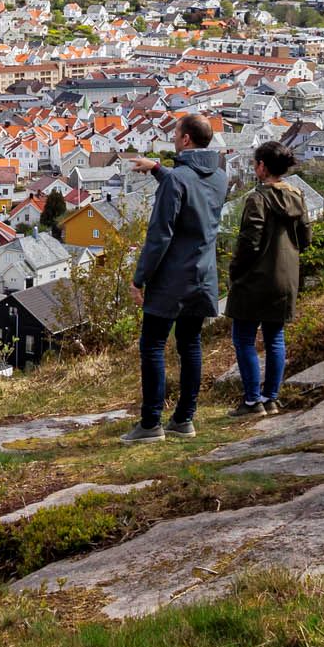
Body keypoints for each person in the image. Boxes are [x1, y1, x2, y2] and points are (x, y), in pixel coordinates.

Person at [122, 112, 229, 443]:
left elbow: (159, 237)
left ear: (185, 140)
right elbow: (189, 185)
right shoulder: (220, 176)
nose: (172, 138)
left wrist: (139, 278)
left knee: (153, 344)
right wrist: (156, 169)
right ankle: (184, 419)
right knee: (191, 344)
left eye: (175, 134)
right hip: (204, 274)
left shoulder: (177, 180)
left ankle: (151, 423)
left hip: (171, 279)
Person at [225, 142, 311, 417]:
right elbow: (306, 239)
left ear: (262, 166)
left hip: (256, 277)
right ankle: (271, 397)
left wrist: (235, 271)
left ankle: (252, 400)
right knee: (275, 338)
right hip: (286, 276)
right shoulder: (298, 195)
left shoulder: (258, 198)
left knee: (244, 338)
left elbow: (249, 241)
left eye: (255, 163)